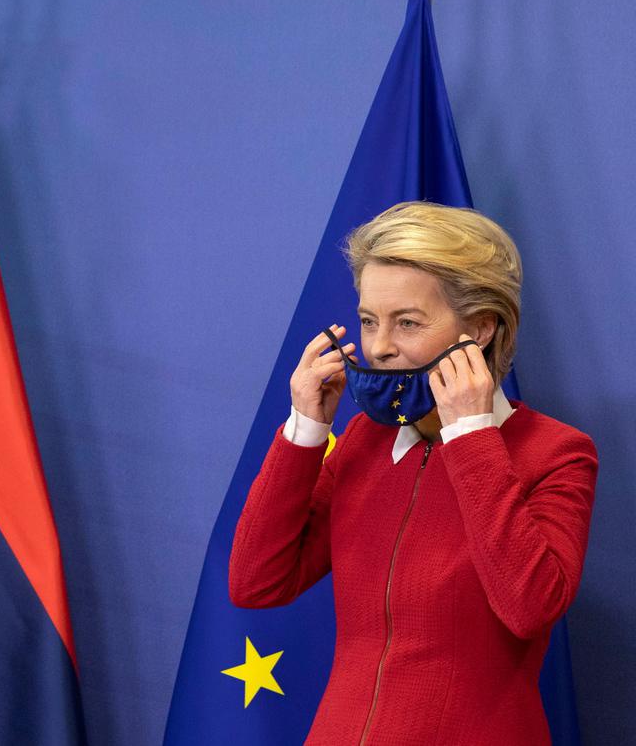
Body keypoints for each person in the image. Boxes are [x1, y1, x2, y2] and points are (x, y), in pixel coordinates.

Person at [228, 201, 597, 745]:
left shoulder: (557, 453)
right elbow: (256, 582)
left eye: (408, 322)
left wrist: (471, 439)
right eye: (369, 320)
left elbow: (530, 608)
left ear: (481, 328)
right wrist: (304, 431)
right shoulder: (360, 442)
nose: (378, 348)